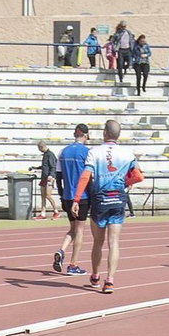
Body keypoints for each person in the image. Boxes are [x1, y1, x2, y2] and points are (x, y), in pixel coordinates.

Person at [70, 120, 139, 294]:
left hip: (99, 201)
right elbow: (138, 176)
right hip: (118, 199)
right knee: (114, 242)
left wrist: (76, 199)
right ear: (118, 135)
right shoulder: (128, 153)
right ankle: (110, 281)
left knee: (98, 242)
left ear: (104, 133)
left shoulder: (95, 152)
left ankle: (95, 275)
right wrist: (124, 182)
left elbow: (85, 176)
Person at [51, 123, 91, 277]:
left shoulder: (63, 151)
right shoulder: (87, 152)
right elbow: (90, 176)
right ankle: (73, 265)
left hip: (67, 196)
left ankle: (61, 250)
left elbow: (59, 176)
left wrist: (61, 196)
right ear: (86, 135)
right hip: (82, 196)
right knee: (80, 230)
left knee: (73, 229)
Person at [32, 140, 59, 219]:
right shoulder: (45, 154)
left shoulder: (50, 155)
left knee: (48, 195)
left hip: (49, 178)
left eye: (38, 148)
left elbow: (53, 166)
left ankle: (56, 211)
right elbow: (45, 166)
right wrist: (36, 167)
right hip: (44, 177)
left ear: (41, 147)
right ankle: (43, 213)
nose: (38, 150)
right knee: (43, 196)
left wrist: (51, 175)